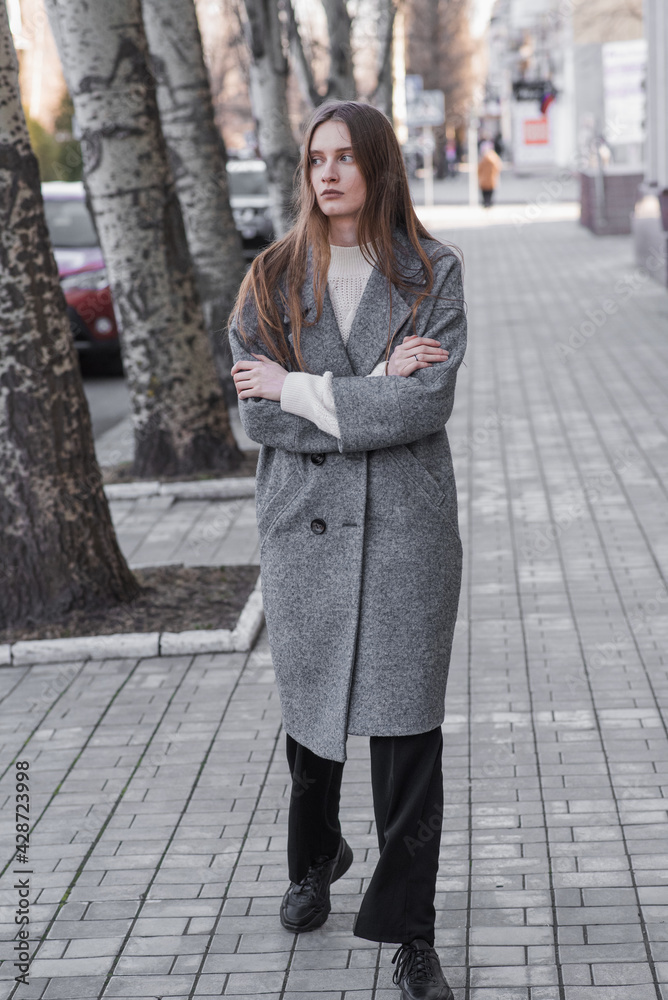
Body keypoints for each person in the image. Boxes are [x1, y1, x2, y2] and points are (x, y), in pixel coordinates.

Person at [229, 100, 466, 1000]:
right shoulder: (273, 274)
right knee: (314, 719)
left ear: (378, 166)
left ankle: (412, 933)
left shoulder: (431, 272)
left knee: (408, 736)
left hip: (408, 532)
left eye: (345, 158)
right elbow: (257, 414)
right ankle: (315, 856)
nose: (327, 174)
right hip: (305, 530)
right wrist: (362, 388)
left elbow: (425, 406)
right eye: (314, 159)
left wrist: (302, 388)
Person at [477, 139, 502, 207]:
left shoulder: (482, 159)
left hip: (483, 180)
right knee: (490, 194)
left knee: (485, 195)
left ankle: (486, 204)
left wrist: (479, 176)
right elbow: (498, 167)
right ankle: (489, 204)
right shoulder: (494, 158)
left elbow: (479, 169)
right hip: (491, 179)